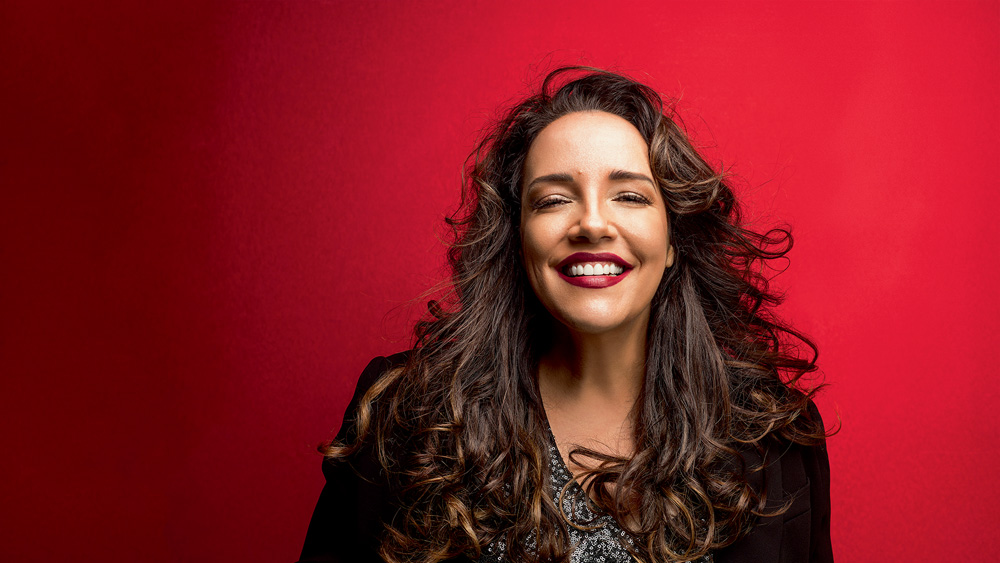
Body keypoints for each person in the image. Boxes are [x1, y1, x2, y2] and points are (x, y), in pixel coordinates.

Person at [298, 67, 833, 563]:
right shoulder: (403, 419)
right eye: (553, 200)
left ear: (673, 240)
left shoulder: (777, 442)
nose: (592, 224)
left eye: (629, 195)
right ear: (517, 239)